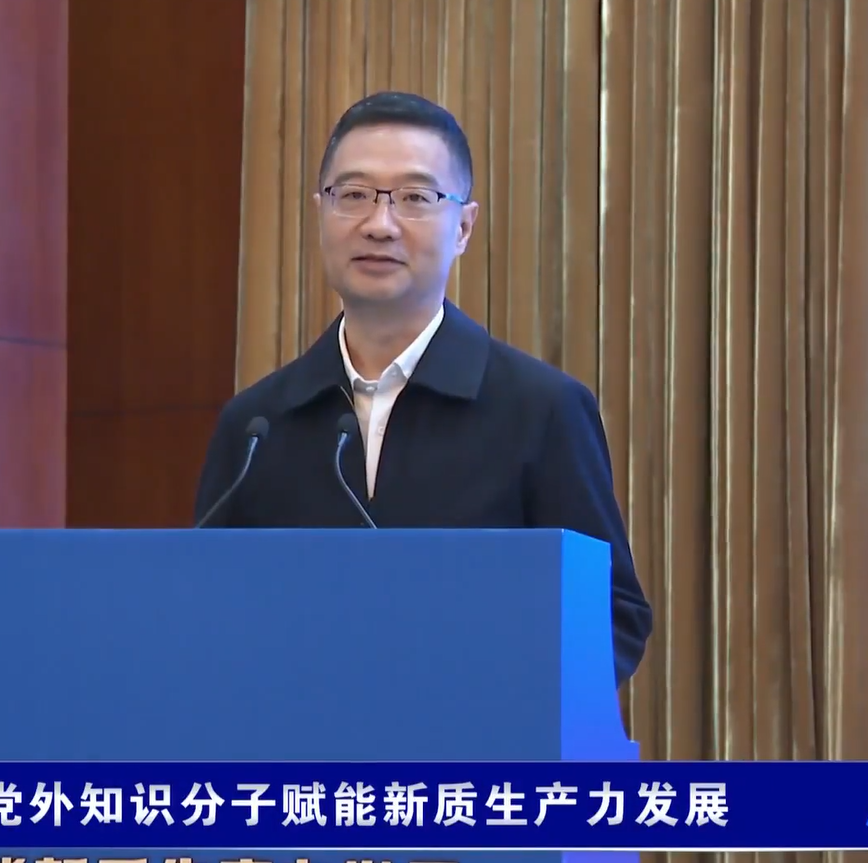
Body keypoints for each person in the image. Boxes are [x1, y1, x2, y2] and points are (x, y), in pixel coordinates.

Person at [193, 91, 652, 686]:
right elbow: (207, 613)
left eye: (415, 198)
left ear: (463, 227)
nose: (379, 225)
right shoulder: (257, 427)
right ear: (320, 213)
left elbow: (611, 616)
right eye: (353, 195)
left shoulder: (541, 410)